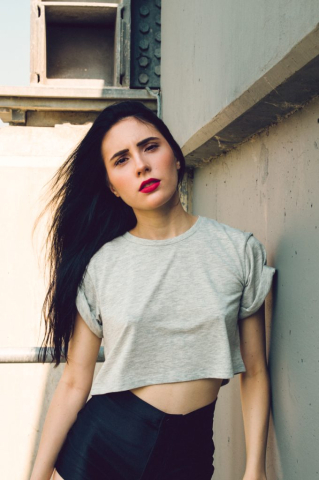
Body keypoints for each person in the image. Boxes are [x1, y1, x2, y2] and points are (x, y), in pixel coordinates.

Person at [30, 100, 276, 480]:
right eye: (121, 160)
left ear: (176, 157)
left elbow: (256, 370)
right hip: (103, 450)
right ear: (111, 186)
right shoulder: (101, 265)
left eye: (149, 147)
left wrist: (254, 467)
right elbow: (75, 381)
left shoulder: (238, 250)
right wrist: (37, 475)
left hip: (189, 456)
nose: (141, 165)